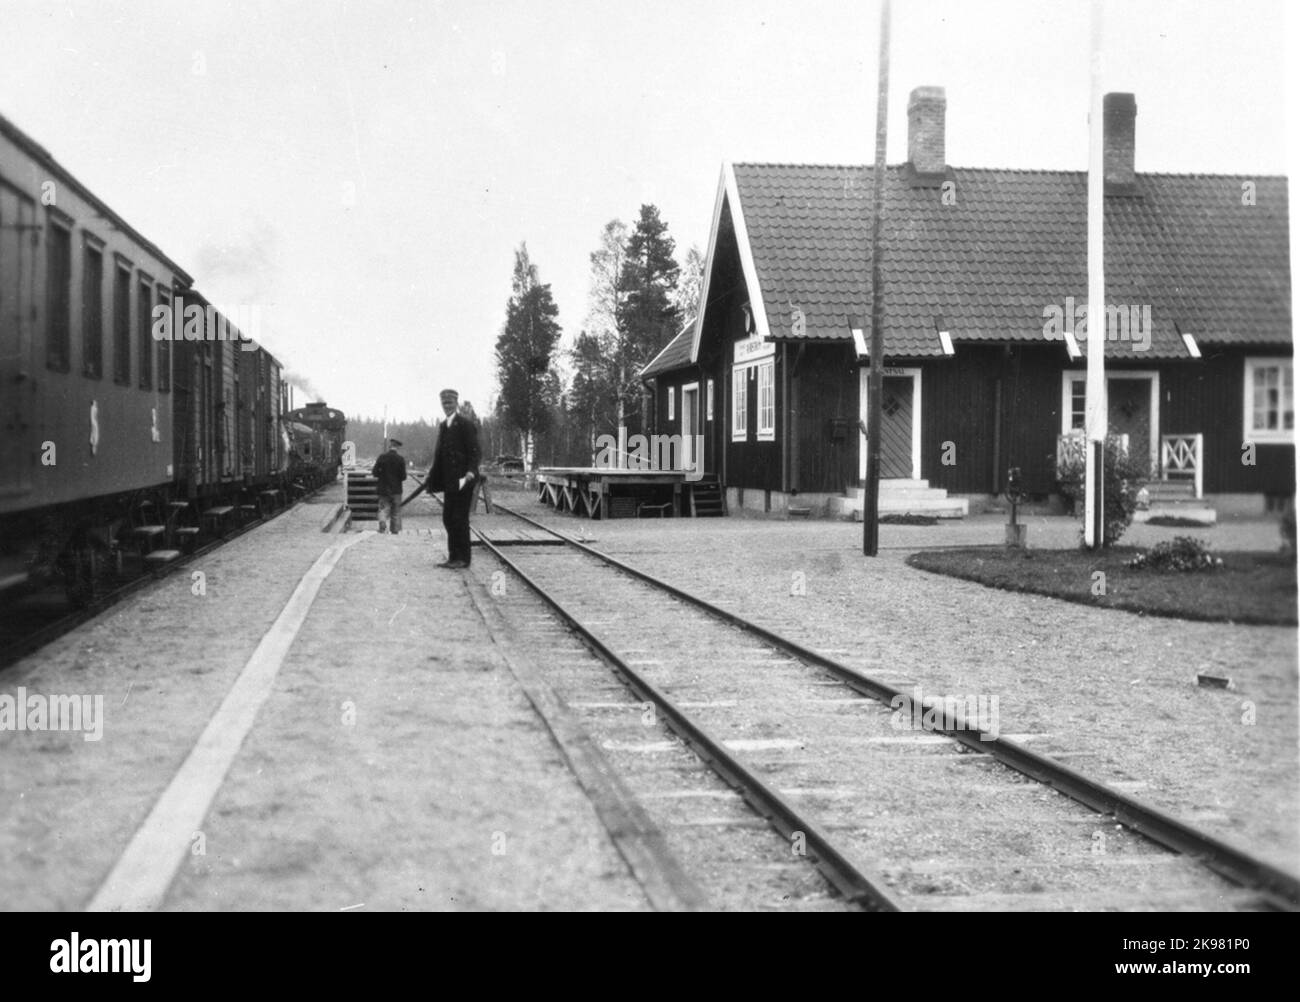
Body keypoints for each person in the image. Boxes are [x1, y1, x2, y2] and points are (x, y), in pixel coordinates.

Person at [425, 388, 480, 568]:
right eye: (444, 404)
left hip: (464, 479)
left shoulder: (465, 424)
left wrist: (471, 471)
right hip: (450, 481)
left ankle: (463, 558)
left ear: (456, 403)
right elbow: (440, 455)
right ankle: (453, 557)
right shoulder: (443, 426)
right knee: (448, 518)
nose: (446, 406)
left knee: (459, 519)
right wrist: (433, 476)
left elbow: (475, 451)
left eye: (449, 403)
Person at [371, 438, 407, 534]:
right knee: (396, 510)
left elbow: (374, 472)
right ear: (397, 448)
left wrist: (382, 475)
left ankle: (382, 523)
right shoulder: (400, 459)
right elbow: (403, 477)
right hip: (396, 490)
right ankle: (394, 530)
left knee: (383, 508)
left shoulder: (382, 457)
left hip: (383, 489)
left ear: (389, 446)